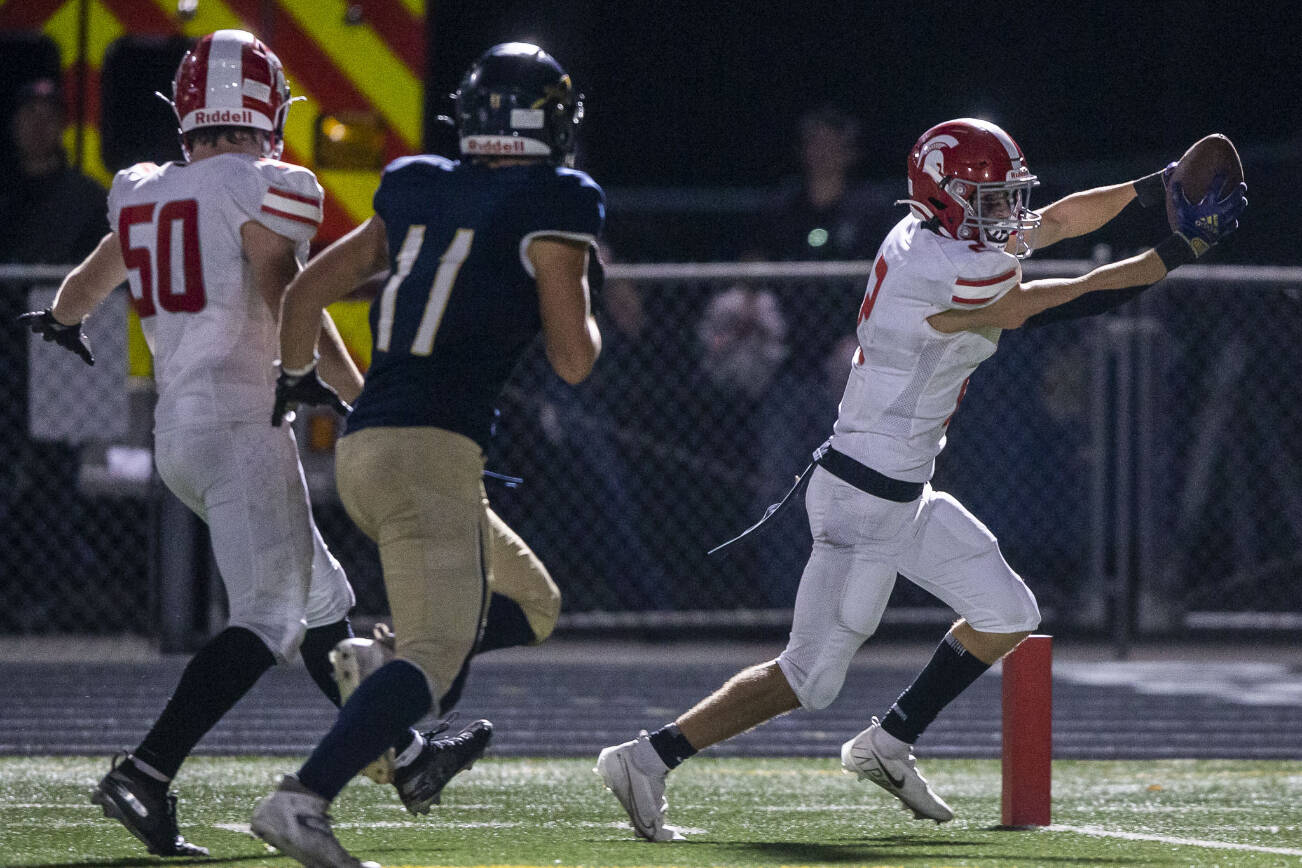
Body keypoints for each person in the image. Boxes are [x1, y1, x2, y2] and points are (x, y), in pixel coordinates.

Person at [595, 117, 1247, 841]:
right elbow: (1067, 297)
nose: (1005, 212)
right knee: (810, 679)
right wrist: (1179, 248)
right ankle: (647, 758)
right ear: (943, 195)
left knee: (1007, 613)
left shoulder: (929, 235)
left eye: (1004, 196)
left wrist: (1155, 187)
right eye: (987, 197)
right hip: (862, 498)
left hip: (901, 491)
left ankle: (890, 741)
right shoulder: (948, 266)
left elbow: (1056, 219)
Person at [14, 30, 463, 857]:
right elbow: (287, 295)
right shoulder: (263, 186)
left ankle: (404, 755)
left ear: (187, 110)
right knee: (268, 618)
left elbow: (91, 280)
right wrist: (354, 393)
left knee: (323, 600)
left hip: (180, 433)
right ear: (268, 109)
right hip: (240, 424)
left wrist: (65, 321)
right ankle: (144, 774)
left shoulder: (145, 190)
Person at [249, 42, 603, 868]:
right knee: (437, 659)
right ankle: (302, 799)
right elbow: (574, 359)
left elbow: (305, 292)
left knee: (533, 602)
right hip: (432, 454)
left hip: (370, 444)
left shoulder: (418, 183)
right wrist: (582, 286)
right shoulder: (559, 199)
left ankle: (380, 663)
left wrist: (299, 381)